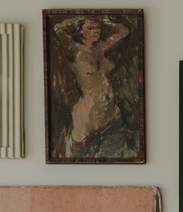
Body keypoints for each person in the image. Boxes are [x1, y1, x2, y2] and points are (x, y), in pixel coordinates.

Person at [52, 15, 134, 159]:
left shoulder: (103, 46)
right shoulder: (75, 49)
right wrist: (79, 18)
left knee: (113, 162)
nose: (95, 31)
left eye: (97, 28)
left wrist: (106, 20)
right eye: (90, 28)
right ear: (81, 31)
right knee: (81, 161)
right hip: (90, 118)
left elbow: (124, 31)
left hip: (112, 116)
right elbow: (58, 29)